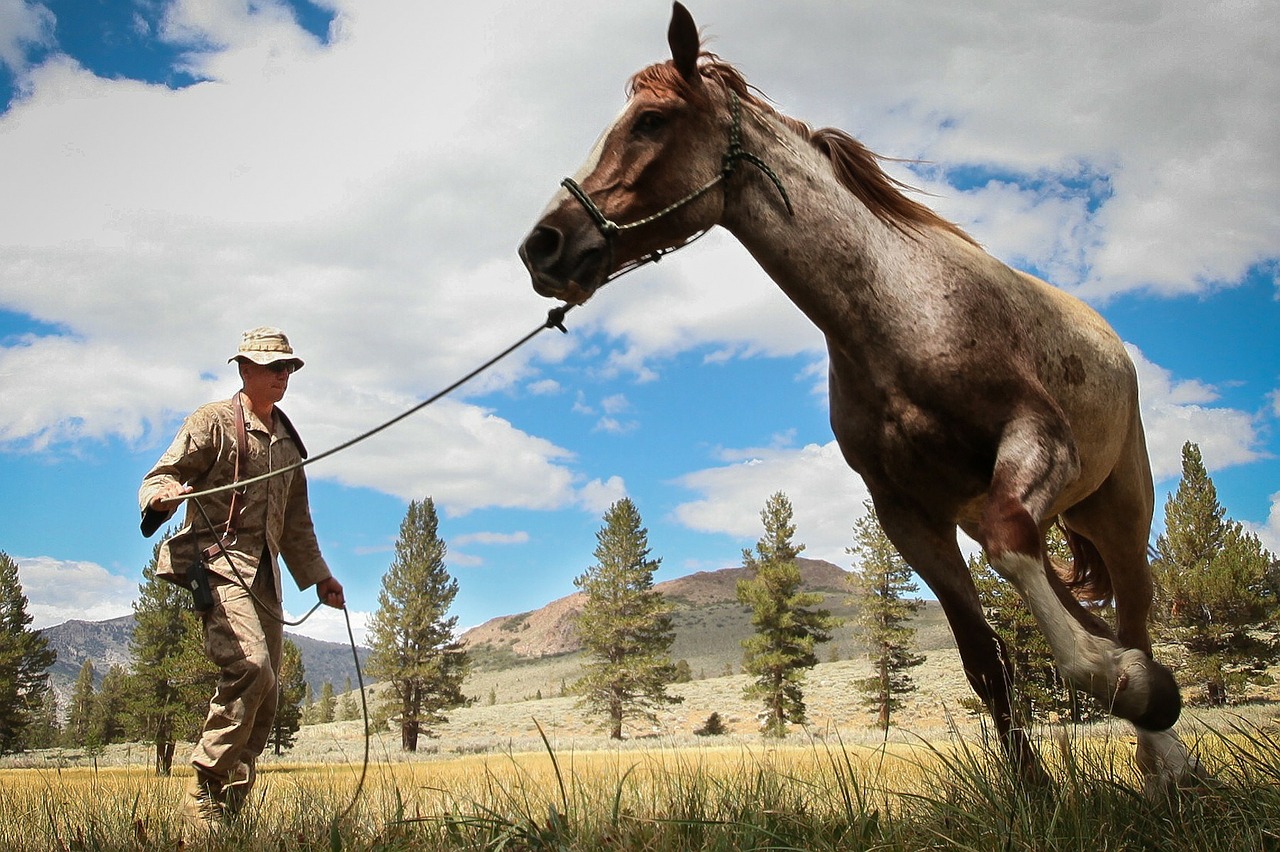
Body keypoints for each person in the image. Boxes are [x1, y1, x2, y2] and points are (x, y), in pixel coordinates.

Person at [139, 326, 344, 831]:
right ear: (244, 369)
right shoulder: (212, 422)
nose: (283, 376)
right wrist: (163, 497)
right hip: (219, 564)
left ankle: (230, 813)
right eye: (273, 367)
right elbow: (159, 477)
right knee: (251, 667)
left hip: (267, 579)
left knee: (270, 692)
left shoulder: (288, 444)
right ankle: (205, 787)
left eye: (288, 368)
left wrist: (319, 577)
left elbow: (297, 522)